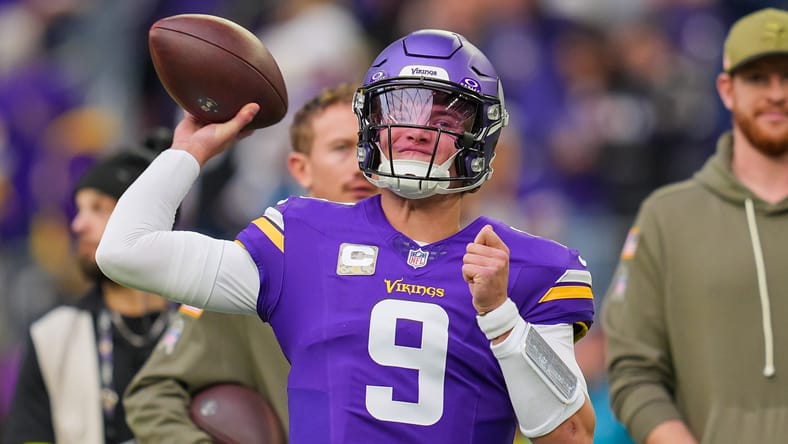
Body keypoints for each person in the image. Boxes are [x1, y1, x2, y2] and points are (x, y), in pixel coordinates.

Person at [97, 29, 596, 443]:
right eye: (400, 110)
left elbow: (572, 434)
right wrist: (189, 152)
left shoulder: (532, 267)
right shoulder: (302, 235)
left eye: (443, 116)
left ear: (481, 135)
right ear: (372, 124)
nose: (417, 130)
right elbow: (125, 251)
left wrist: (503, 320)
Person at [123, 83, 378, 442]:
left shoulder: (442, 267)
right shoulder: (256, 267)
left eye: (370, 147)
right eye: (340, 148)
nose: (359, 164)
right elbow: (155, 395)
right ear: (300, 169)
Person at [602, 8, 788, 444]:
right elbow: (633, 371)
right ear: (727, 89)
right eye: (758, 78)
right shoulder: (667, 218)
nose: (776, 94)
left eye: (786, 77)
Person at [3, 135, 175, 444]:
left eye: (98, 208)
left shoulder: (204, 324)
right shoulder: (53, 335)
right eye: (79, 209)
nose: (78, 224)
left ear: (148, 219)